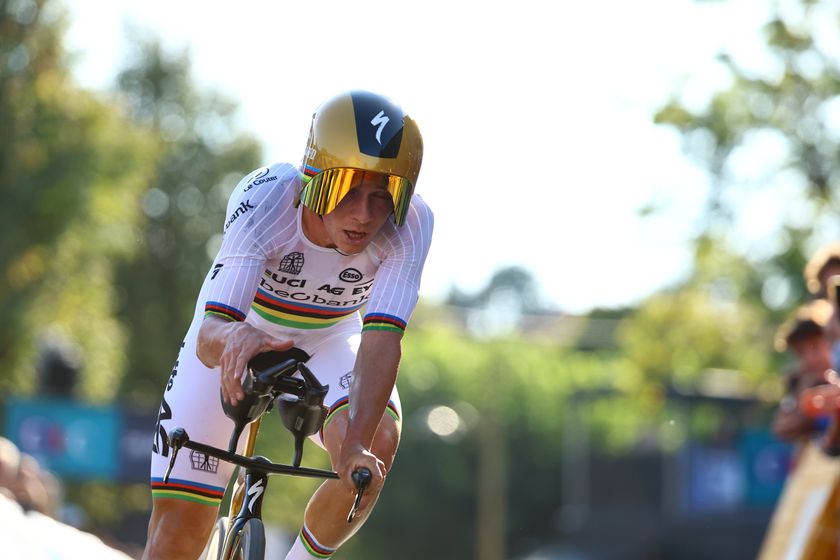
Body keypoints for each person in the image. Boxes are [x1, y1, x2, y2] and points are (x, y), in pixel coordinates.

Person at [142, 90, 434, 560]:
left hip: (332, 336)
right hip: (244, 328)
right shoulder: (269, 199)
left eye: (383, 198)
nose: (364, 215)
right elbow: (210, 334)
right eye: (350, 191)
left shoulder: (413, 224)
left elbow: (382, 340)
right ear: (315, 180)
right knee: (177, 535)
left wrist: (355, 443)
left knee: (374, 443)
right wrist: (238, 337)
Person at [771, 299, 835, 456]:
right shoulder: (799, 383)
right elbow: (782, 428)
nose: (810, 359)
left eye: (815, 346)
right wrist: (805, 400)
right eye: (801, 353)